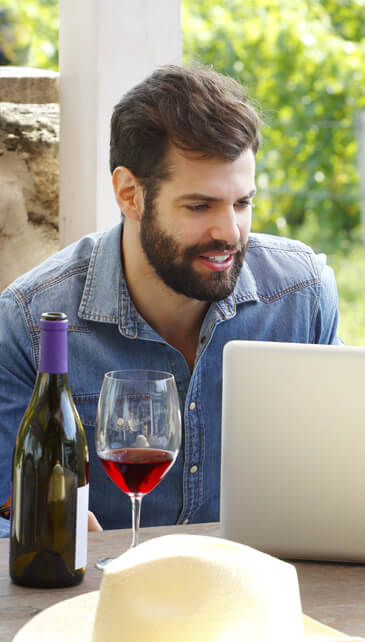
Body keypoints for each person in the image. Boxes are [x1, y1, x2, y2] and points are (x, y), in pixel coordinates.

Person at [0, 65, 341, 537]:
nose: (229, 232)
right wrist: (30, 531)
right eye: (200, 207)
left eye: (242, 203)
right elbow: (2, 513)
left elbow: (344, 472)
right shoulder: (30, 322)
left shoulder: (301, 295)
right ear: (130, 194)